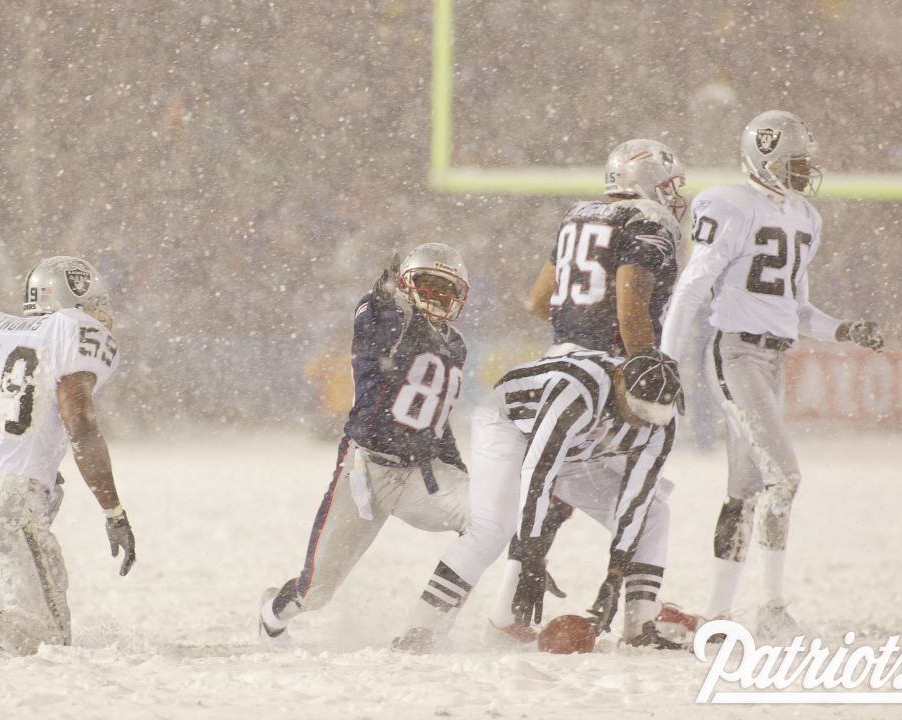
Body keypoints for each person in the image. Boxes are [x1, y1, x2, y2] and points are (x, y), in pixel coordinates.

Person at [658, 110, 885, 637]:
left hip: (772, 358)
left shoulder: (806, 217)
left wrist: (845, 330)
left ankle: (717, 617)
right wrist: (669, 358)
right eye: (794, 162)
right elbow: (692, 287)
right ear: (764, 158)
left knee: (746, 490)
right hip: (735, 355)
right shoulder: (728, 204)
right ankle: (772, 609)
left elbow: (799, 312)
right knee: (783, 475)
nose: (805, 172)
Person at [490, 139, 687, 643]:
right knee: (646, 505)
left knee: (555, 488)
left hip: (562, 367)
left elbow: (539, 301)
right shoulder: (648, 221)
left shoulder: (580, 215)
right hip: (608, 380)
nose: (673, 194)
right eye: (667, 183)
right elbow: (630, 305)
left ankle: (507, 610)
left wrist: (578, 333)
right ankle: (639, 619)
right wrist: (638, 361)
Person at [394, 345, 684, 652]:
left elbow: (636, 495)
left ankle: (639, 627)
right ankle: (421, 629)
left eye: (652, 415)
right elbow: (539, 471)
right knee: (492, 527)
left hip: (577, 444)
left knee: (654, 513)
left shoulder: (659, 416)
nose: (641, 423)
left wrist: (615, 575)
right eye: (637, 411)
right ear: (619, 381)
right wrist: (531, 559)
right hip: (510, 426)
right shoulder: (576, 392)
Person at [0, 256, 136, 657]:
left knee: (18, 580)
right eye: (96, 302)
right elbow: (81, 426)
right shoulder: (72, 331)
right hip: (10, 500)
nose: (102, 312)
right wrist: (113, 511)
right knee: (48, 640)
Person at [259, 243, 472, 644]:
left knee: (487, 519)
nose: (437, 296)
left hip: (420, 476)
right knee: (316, 591)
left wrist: (458, 467)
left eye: (447, 289)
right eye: (428, 284)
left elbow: (439, 420)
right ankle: (272, 614)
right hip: (365, 473)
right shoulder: (385, 314)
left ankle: (425, 629)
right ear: (405, 284)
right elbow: (375, 322)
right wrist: (384, 293)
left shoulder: (454, 344)